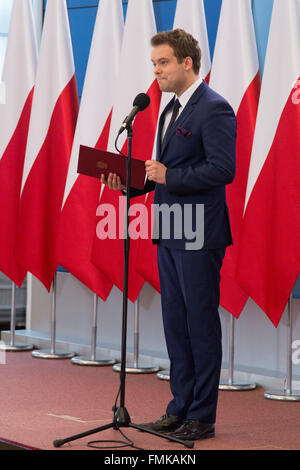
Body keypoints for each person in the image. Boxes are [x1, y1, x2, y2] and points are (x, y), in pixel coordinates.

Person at [101, 29, 236, 441]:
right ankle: (178, 407)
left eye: (162, 63)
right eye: (154, 63)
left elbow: (223, 170)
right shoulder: (164, 108)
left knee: (200, 323)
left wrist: (169, 175)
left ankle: (202, 416)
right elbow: (162, 173)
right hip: (170, 228)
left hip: (199, 233)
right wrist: (131, 184)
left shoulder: (215, 109)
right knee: (176, 323)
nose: (156, 71)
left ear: (186, 63)